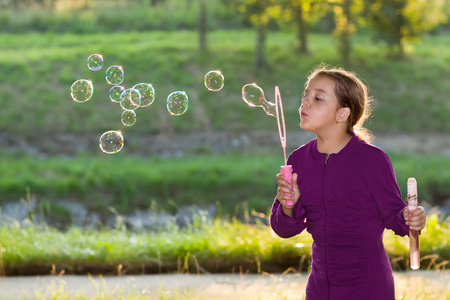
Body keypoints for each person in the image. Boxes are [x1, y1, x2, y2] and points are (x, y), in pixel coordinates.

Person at [270, 64, 427, 300]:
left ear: (342, 114)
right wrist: (288, 206)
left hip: (368, 287)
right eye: (305, 95)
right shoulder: (297, 160)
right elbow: (282, 229)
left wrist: (412, 216)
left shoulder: (372, 160)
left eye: (318, 98)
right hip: (320, 289)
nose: (305, 102)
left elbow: (397, 219)